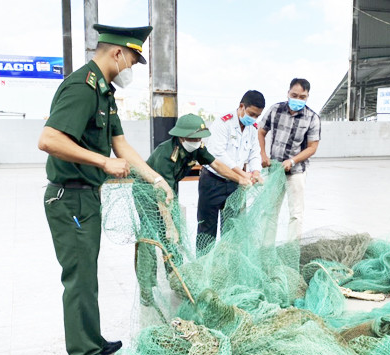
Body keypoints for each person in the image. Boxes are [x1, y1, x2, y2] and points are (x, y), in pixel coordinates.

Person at [38, 24, 174, 355]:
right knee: (79, 279)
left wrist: (155, 178)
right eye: (132, 59)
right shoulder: (82, 87)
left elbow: (121, 146)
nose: (131, 68)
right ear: (116, 53)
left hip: (86, 197)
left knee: (88, 276)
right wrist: (102, 162)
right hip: (70, 198)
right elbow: (49, 139)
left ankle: (92, 341)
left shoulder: (104, 93)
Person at [136, 113, 251, 305]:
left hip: (168, 192)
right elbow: (160, 196)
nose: (197, 142)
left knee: (173, 239)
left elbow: (216, 164)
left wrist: (239, 178)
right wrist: (169, 225)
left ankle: (176, 278)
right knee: (152, 236)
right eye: (193, 138)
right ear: (181, 137)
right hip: (148, 192)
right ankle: (147, 289)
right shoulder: (166, 155)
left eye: (199, 138)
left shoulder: (196, 148)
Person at [196, 90, 265, 254]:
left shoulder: (252, 128)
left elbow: (255, 153)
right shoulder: (223, 122)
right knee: (207, 230)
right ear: (242, 107)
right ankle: (201, 269)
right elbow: (218, 154)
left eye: (257, 116)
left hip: (235, 186)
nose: (254, 118)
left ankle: (227, 268)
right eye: (251, 114)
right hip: (213, 181)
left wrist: (255, 172)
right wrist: (241, 174)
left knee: (232, 230)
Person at [258, 78, 320, 244]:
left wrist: (292, 161)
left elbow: (312, 147)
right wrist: (263, 154)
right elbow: (261, 131)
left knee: (296, 214)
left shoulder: (312, 118)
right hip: (274, 169)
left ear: (307, 97)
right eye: (294, 95)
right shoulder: (275, 110)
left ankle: (291, 249)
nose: (298, 99)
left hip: (296, 172)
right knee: (269, 210)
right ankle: (266, 248)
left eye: (302, 97)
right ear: (288, 93)